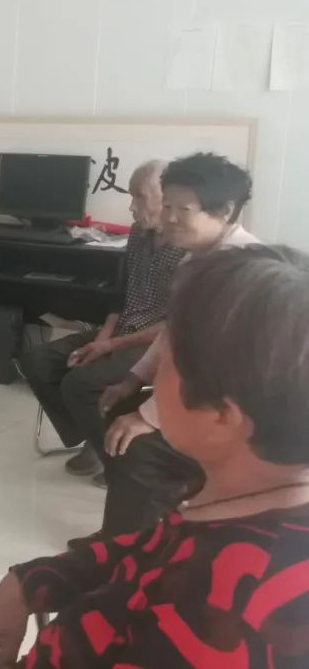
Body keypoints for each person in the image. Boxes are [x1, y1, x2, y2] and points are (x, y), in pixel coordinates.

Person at [0, 245, 309, 669]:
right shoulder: (245, 497)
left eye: (165, 364)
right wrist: (31, 580)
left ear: (222, 416)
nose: (149, 379)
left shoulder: (219, 618)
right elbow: (152, 547)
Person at [98, 152, 257, 535]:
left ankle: (129, 547)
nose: (168, 217)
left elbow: (209, 360)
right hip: (207, 396)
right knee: (114, 407)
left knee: (138, 449)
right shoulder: (196, 259)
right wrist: (133, 380)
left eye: (182, 209)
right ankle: (127, 533)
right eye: (166, 205)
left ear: (225, 211)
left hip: (242, 413)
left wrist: (148, 417)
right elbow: (173, 333)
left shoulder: (240, 269)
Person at [17, 160, 184, 478]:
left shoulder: (190, 250)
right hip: (121, 330)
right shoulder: (138, 233)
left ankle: (121, 467)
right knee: (38, 360)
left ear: (167, 198)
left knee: (80, 382)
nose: (132, 207)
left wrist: (111, 346)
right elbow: (119, 296)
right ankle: (94, 438)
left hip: (153, 343)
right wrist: (103, 338)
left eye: (139, 197)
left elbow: (176, 325)